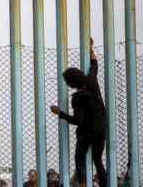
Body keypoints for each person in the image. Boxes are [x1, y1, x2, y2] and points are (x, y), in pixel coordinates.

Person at [51, 38, 107, 187]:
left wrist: (59, 113)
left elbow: (77, 121)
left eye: (66, 81)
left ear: (71, 83)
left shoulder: (77, 98)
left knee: (79, 157)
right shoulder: (92, 81)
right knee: (97, 159)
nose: (66, 84)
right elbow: (94, 65)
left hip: (87, 131)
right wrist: (90, 47)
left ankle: (82, 184)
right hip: (101, 128)